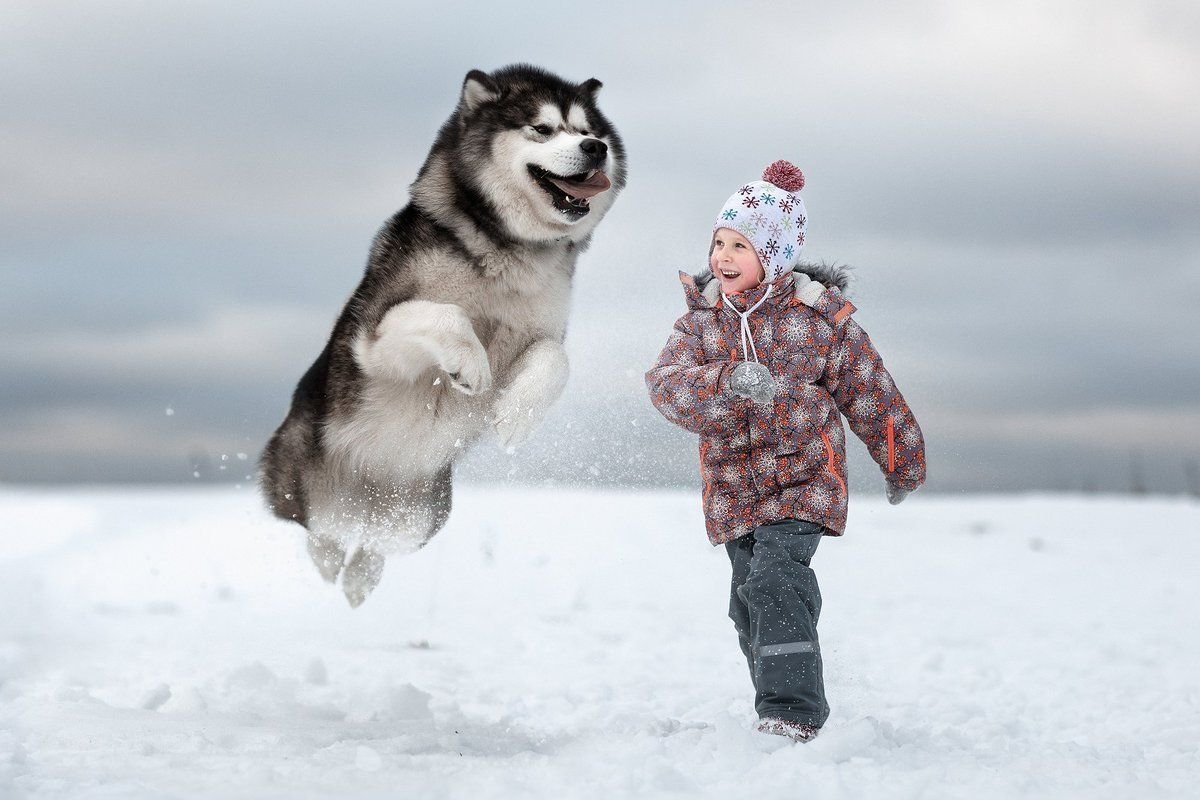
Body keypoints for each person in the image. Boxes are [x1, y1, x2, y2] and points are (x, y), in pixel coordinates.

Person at [645, 160, 926, 742]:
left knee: (776, 581)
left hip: (804, 480)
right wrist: (726, 382)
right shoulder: (700, 323)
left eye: (740, 245)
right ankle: (774, 701)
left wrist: (902, 460)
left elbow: (870, 388)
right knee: (747, 604)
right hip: (732, 487)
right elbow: (665, 386)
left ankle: (792, 713)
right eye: (719, 242)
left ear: (774, 254)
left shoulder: (819, 319)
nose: (722, 256)